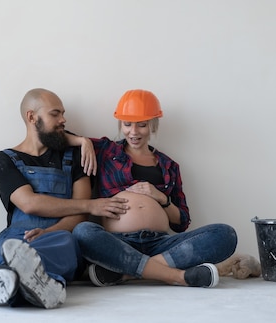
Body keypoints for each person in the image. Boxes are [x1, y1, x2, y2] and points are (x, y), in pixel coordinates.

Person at [0, 88, 129, 309]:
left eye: (62, 113)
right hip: (19, 237)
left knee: (64, 243)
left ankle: (6, 282)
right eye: (55, 114)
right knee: (10, 247)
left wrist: (49, 232)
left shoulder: (74, 157)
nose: (63, 119)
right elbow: (29, 203)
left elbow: (80, 216)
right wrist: (93, 205)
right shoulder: (4, 160)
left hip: (60, 234)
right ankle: (42, 286)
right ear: (31, 117)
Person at [67, 89, 238, 288]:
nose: (133, 132)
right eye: (127, 124)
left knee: (225, 234)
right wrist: (83, 141)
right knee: (83, 232)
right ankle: (178, 276)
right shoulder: (106, 151)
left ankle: (126, 273)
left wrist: (161, 198)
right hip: (119, 243)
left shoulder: (169, 165)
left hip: (161, 245)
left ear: (153, 125)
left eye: (142, 125)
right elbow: (57, 136)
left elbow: (181, 222)